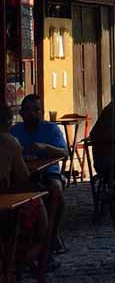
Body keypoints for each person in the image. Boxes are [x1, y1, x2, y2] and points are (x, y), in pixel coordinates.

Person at [10, 95, 67, 252]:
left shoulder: (51, 129)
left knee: (56, 191)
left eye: (36, 109)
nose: (32, 113)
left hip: (49, 172)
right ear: (21, 113)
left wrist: (46, 148)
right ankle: (26, 238)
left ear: (42, 112)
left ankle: (53, 234)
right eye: (27, 109)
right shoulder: (14, 131)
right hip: (23, 174)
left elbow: (65, 153)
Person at [0, 104, 50, 270]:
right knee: (38, 200)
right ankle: (38, 253)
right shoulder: (9, 141)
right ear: (8, 122)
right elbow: (22, 178)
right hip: (4, 212)